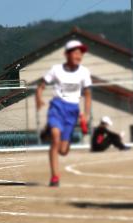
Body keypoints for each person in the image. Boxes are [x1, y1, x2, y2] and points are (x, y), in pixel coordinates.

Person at [36, 40, 92, 187]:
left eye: (81, 52)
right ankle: (55, 177)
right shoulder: (56, 69)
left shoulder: (84, 72)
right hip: (57, 106)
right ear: (67, 54)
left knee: (63, 150)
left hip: (73, 110)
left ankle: (54, 133)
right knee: (55, 138)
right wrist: (39, 98)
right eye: (75, 52)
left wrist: (86, 114)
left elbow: (87, 94)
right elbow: (41, 85)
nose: (79, 55)